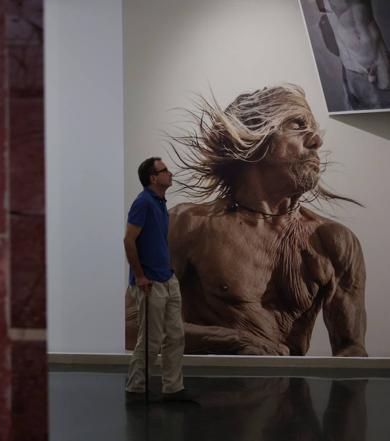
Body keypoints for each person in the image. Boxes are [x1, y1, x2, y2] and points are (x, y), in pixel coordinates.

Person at [168, 84, 367, 356]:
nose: (317, 141)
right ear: (257, 137)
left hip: (292, 398)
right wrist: (234, 342)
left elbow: (351, 353)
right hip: (210, 397)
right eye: (298, 125)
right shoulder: (189, 224)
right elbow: (134, 327)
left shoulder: (333, 241)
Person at [124, 157, 193, 402]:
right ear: (154, 178)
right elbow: (128, 240)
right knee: (151, 340)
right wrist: (140, 276)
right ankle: (136, 389)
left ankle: (173, 389)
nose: (170, 173)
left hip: (167, 279)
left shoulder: (161, 202)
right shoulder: (143, 203)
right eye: (165, 170)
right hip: (149, 283)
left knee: (176, 335)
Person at [317, 0, 390, 109]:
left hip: (377, 53)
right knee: (368, 106)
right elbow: (323, 12)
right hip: (354, 61)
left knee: (385, 93)